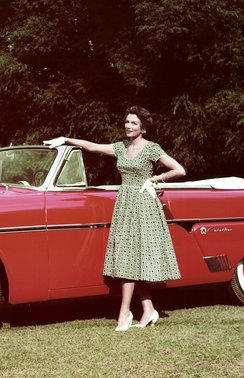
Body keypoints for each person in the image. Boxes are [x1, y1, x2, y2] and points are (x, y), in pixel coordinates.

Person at [44, 106, 186, 331]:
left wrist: (155, 179)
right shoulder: (121, 147)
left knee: (131, 257)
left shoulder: (151, 149)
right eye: (127, 122)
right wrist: (65, 139)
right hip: (124, 205)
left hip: (144, 205)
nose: (129, 126)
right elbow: (92, 147)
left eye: (134, 123)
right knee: (129, 256)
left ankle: (125, 313)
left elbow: (179, 170)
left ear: (143, 128)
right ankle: (148, 310)